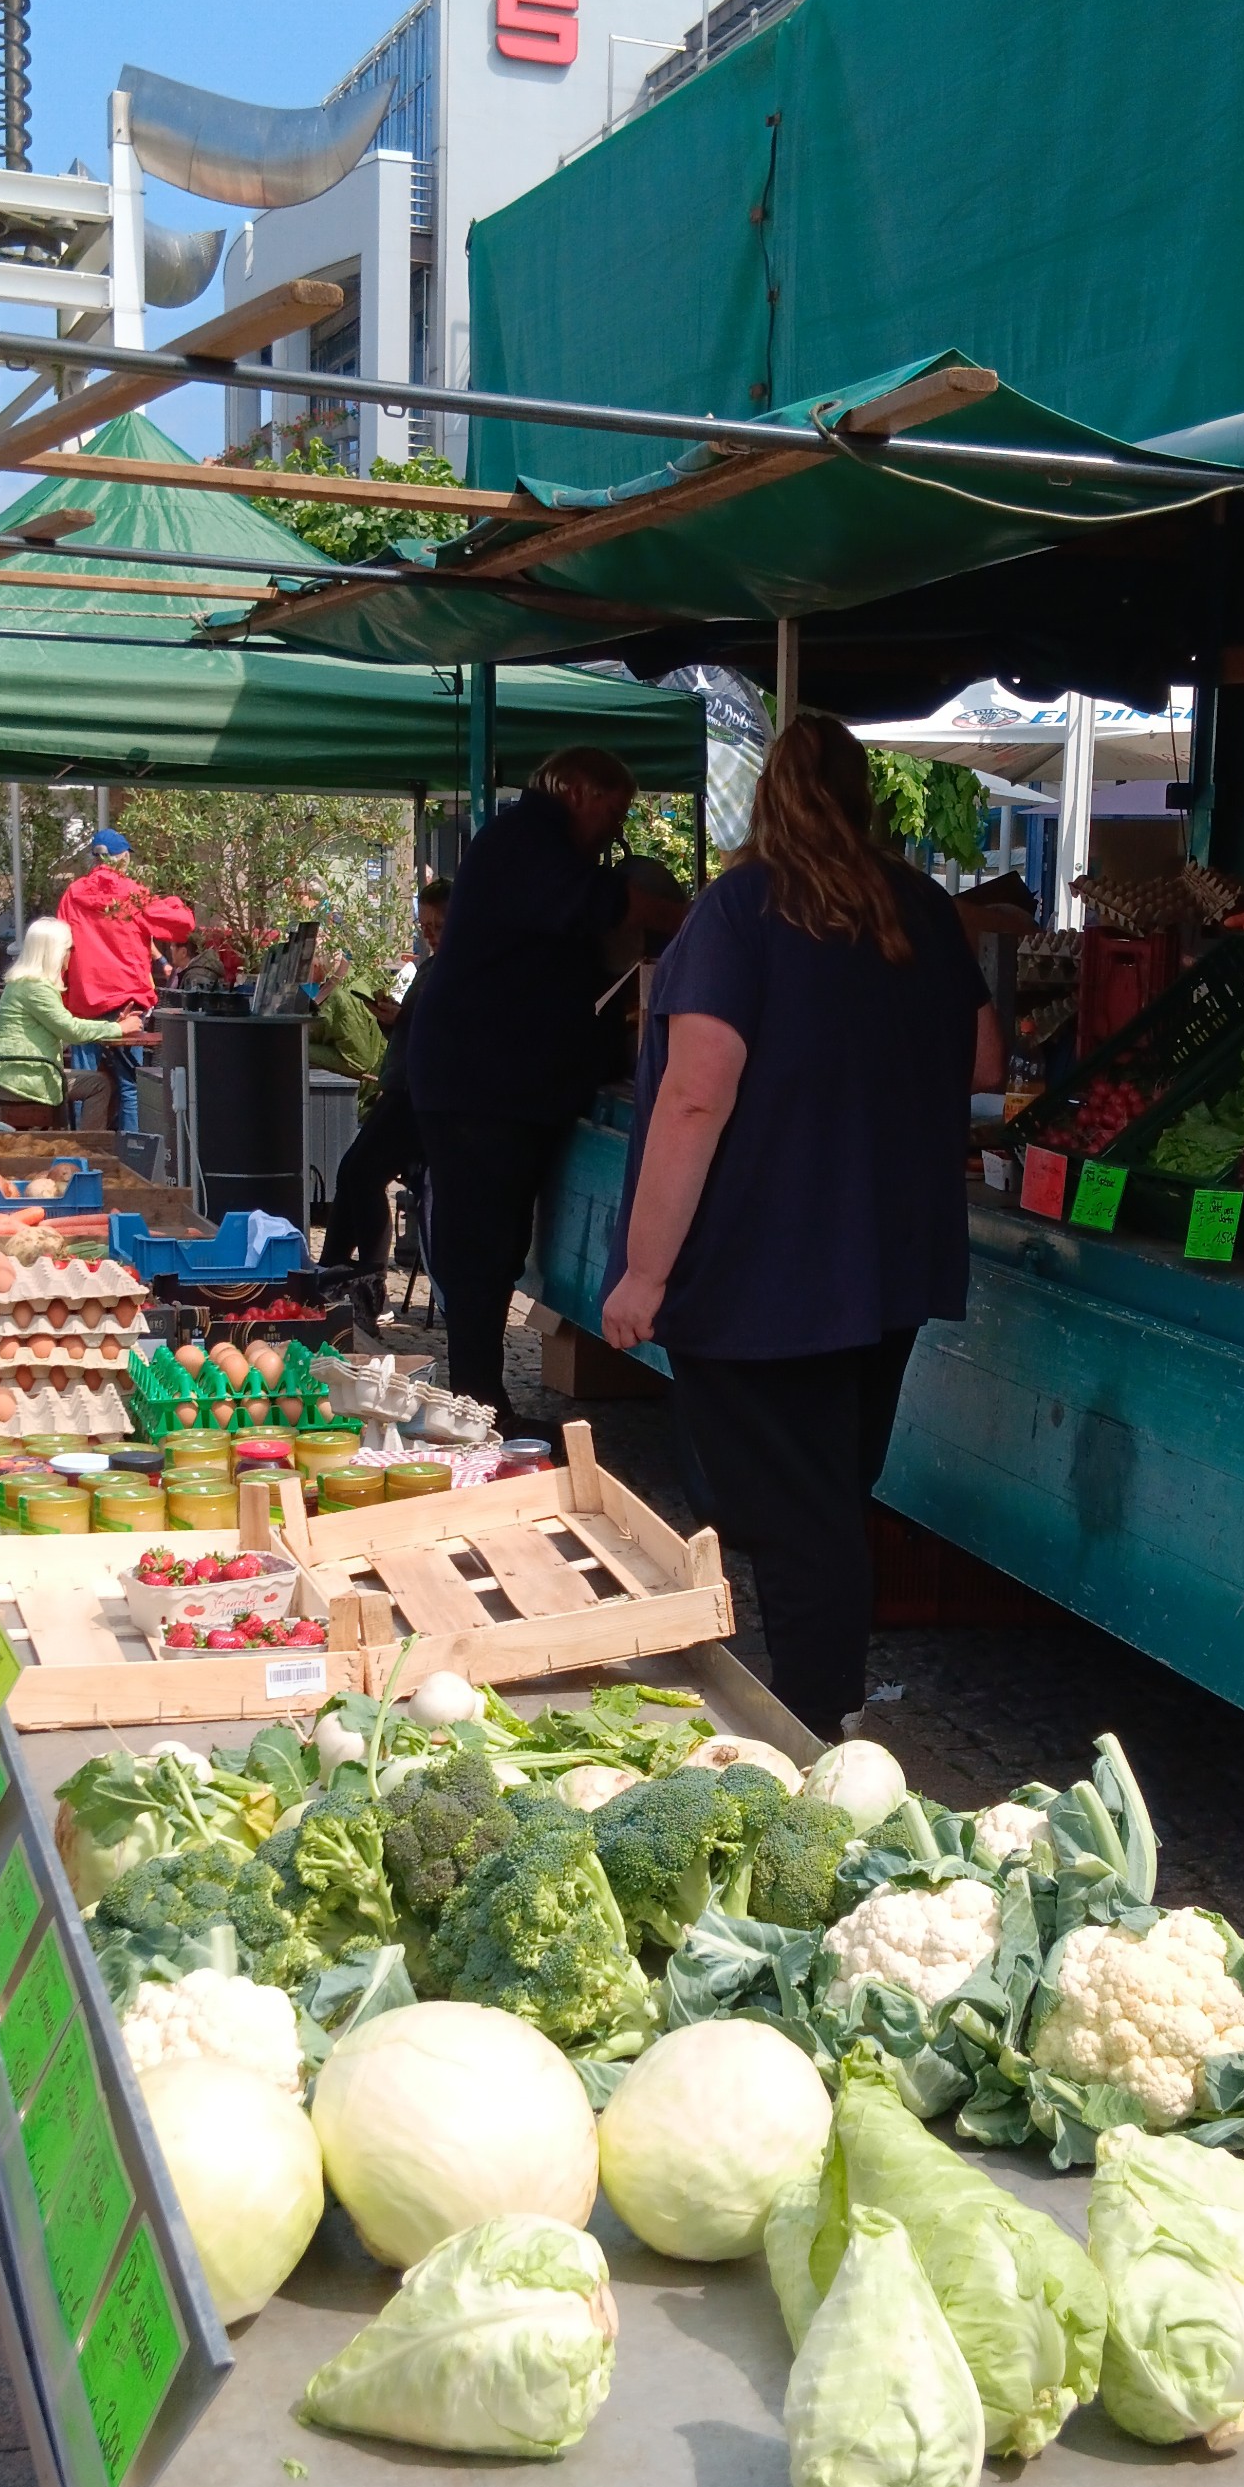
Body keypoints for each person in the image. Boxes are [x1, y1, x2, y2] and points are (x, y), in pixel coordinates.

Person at [602, 713, 1004, 1739]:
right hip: (888, 1261)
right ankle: (821, 1706)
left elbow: (696, 1095)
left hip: (760, 1269)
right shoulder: (921, 909)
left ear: (763, 798)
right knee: (829, 1492)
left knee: (794, 1511)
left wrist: (645, 1271)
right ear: (866, 798)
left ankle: (818, 1724)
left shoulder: (739, 912)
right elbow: (986, 1065)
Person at [408, 746, 654, 1421]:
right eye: (614, 808)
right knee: (481, 1245)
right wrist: (678, 915)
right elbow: (601, 905)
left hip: (490, 1082)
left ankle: (478, 1398)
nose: (617, 824)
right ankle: (477, 1402)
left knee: (489, 1243)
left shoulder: (526, 843)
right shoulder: (529, 838)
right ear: (576, 789)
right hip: (478, 1084)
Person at [323, 877, 449, 1270]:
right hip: (401, 1085)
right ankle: (333, 1268)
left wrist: (405, 1016)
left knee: (361, 1173)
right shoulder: (429, 966)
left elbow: (449, 1030)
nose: (429, 935)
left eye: (438, 926)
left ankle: (367, 1274)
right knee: (353, 1170)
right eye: (424, 926)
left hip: (419, 1094)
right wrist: (393, 1020)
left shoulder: (458, 968)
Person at [56, 828, 193, 1134]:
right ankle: (132, 1156)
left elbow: (60, 946)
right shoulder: (133, 894)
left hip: (84, 999)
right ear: (124, 858)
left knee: (81, 1083)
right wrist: (172, 901)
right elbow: (183, 926)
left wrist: (64, 996)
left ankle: (83, 1153)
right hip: (125, 1001)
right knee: (129, 1084)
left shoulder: (73, 894)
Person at [0, 918, 141, 1128]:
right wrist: (118, 1028)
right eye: (70, 948)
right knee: (99, 1085)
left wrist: (112, 1028)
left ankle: (82, 1146)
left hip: (15, 1073)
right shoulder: (37, 988)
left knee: (97, 1081)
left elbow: (58, 1032)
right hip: (23, 1078)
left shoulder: (22, 984)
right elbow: (70, 1030)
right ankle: (86, 1149)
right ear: (55, 951)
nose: (71, 955)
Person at [305, 944, 387, 1111]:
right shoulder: (343, 979)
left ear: (316, 965)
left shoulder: (344, 998)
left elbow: (357, 1061)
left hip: (359, 1100)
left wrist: (302, 1049)